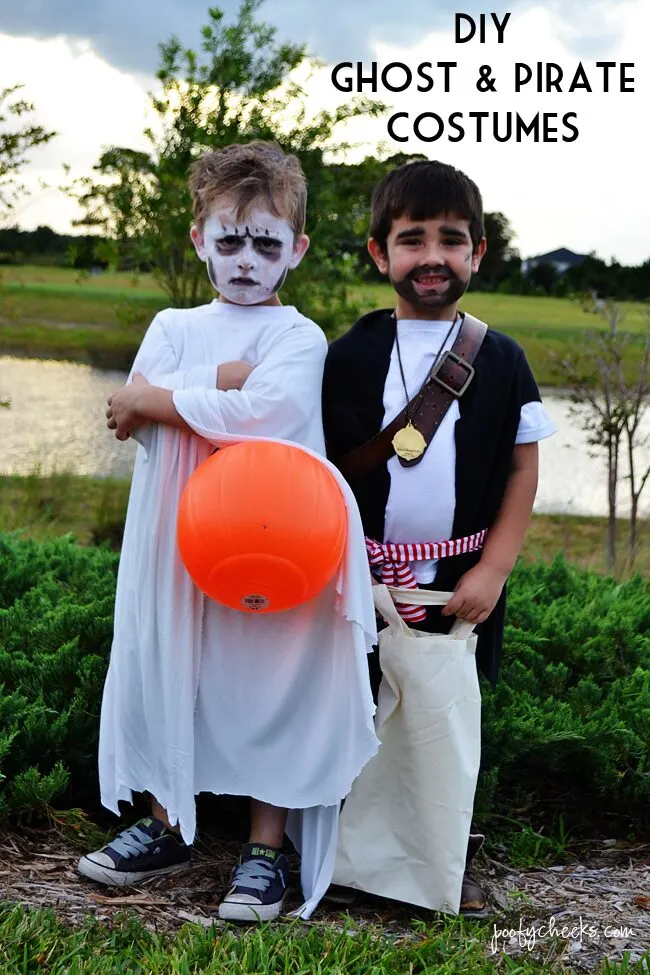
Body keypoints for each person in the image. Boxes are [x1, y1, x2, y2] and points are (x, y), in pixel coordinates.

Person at [77, 141, 379, 922]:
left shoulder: (298, 337)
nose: (246, 260)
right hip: (177, 532)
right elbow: (132, 420)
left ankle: (265, 848)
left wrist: (171, 395)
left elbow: (264, 415)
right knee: (170, 660)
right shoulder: (174, 322)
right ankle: (169, 819)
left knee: (270, 675)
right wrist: (216, 380)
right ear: (199, 239)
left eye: (267, 243)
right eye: (229, 239)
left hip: (277, 538)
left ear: (297, 250)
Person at [321, 159, 556, 913]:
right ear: (378, 253)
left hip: (461, 587)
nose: (432, 256)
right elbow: (314, 469)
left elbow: (523, 470)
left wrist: (494, 567)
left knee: (442, 721)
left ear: (478, 253)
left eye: (452, 240)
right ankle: (340, 857)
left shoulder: (503, 359)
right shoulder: (347, 356)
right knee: (354, 713)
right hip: (358, 583)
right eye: (411, 238)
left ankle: (433, 861)